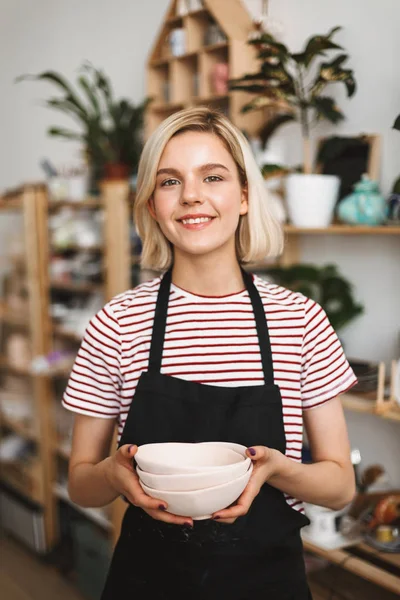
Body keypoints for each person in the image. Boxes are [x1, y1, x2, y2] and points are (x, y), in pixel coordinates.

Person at [64, 107, 357, 599]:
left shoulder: (300, 319)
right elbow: (80, 484)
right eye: (169, 181)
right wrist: (112, 473)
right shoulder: (117, 322)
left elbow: (341, 486)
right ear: (153, 206)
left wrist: (280, 470)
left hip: (268, 582)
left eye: (213, 176)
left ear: (244, 196)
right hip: (148, 581)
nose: (192, 195)